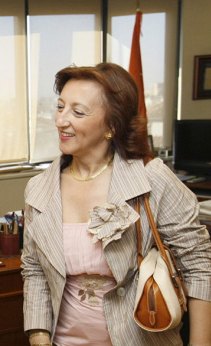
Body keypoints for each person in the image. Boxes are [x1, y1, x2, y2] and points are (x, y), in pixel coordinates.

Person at [21, 63, 211, 346]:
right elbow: (34, 270)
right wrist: (39, 337)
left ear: (111, 124)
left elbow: (198, 265)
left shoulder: (150, 178)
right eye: (60, 107)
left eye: (78, 111)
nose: (61, 120)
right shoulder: (39, 189)